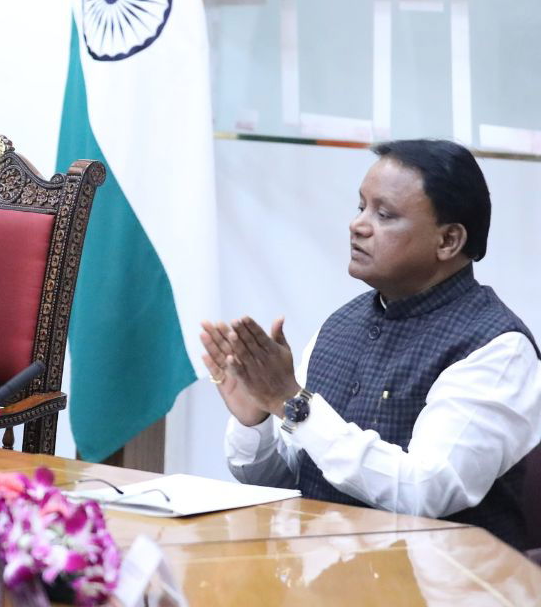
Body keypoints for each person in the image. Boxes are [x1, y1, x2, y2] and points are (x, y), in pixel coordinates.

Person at [200, 139, 541, 550]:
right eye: (360, 206)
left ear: (448, 240)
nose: (357, 225)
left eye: (384, 214)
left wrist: (293, 404)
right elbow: (281, 479)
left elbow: (424, 492)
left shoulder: (498, 347)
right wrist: (257, 416)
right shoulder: (338, 327)